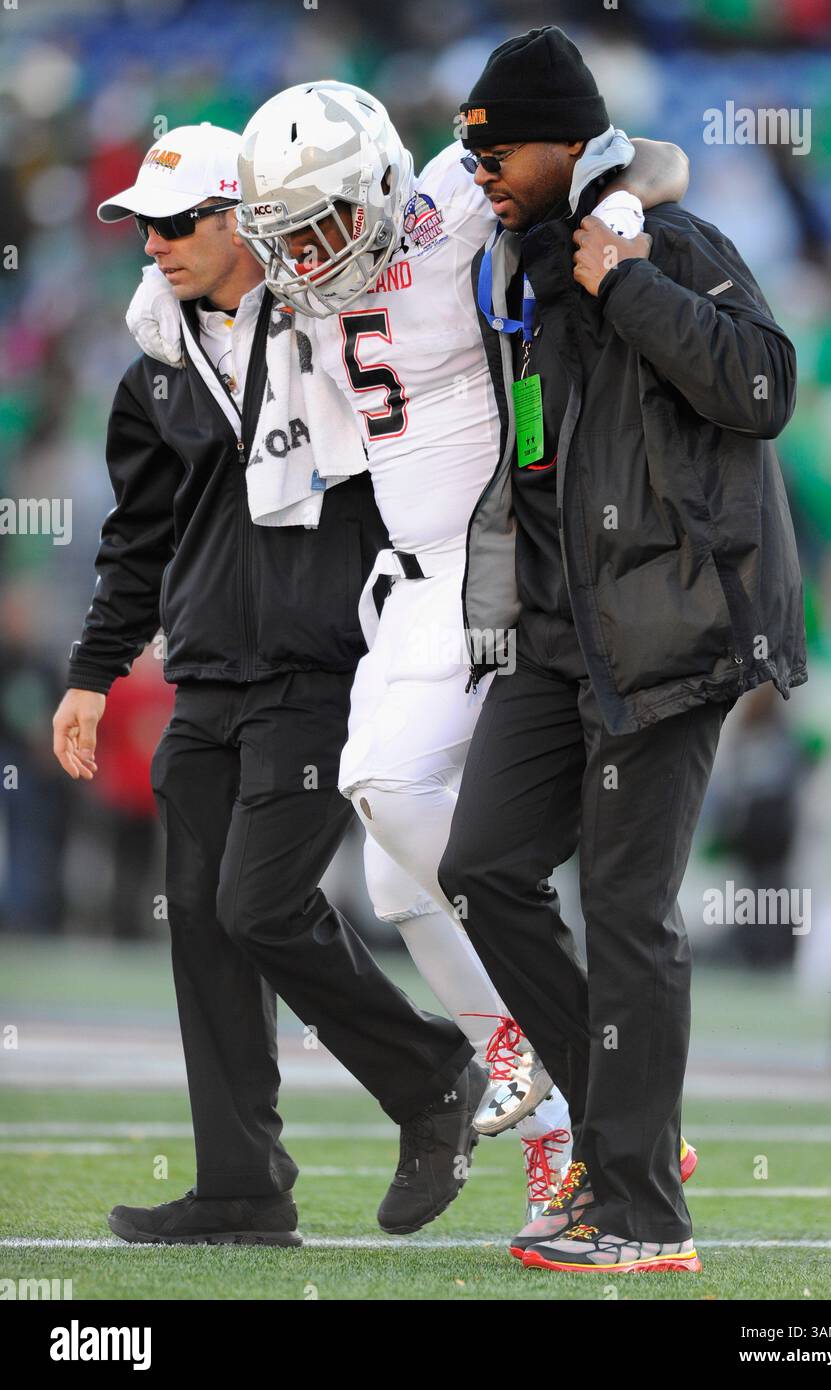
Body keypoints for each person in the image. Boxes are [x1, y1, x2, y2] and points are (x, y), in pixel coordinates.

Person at [231, 79, 696, 1220]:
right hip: (404, 579)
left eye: (325, 223)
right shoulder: (301, 282)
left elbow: (654, 157)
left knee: (388, 784)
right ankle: (566, 1129)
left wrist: (621, 208)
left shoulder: (452, 199)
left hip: (488, 565)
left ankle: (557, 1048)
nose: (307, 254)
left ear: (384, 185)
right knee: (396, 879)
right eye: (288, 233)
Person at [53, 121, 486, 1247]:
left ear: (243, 217)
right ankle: (242, 1186)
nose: (154, 244)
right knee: (204, 924)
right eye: (142, 227)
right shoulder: (155, 365)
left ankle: (437, 1075)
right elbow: (138, 538)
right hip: (204, 673)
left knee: (261, 904)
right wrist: (95, 670)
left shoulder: (337, 324)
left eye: (176, 222)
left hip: (321, 662)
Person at [437, 25, 806, 1275]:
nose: (479, 169)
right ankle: (625, 1131)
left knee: (629, 911)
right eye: (469, 151)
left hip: (673, 628)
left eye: (496, 150)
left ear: (564, 144)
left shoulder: (668, 244)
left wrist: (630, 285)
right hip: (562, 633)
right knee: (483, 864)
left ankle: (645, 1215)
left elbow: (766, 388)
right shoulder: (524, 266)